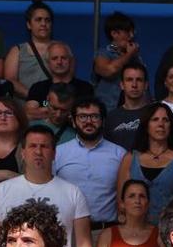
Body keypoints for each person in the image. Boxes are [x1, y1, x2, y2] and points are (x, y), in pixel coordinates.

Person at [0, 125, 93, 247]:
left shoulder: (73, 192)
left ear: (54, 153)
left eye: (44, 146)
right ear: (23, 153)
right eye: (33, 146)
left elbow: (84, 245)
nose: (38, 152)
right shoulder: (3, 190)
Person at [53, 99, 126, 235]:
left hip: (106, 232)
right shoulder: (58, 153)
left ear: (103, 121)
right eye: (82, 117)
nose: (88, 121)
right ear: (73, 122)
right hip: (67, 233)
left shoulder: (120, 154)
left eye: (94, 116)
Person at [116, 103, 173, 224]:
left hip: (169, 231)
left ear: (171, 125)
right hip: (136, 232)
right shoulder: (130, 158)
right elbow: (121, 203)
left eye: (165, 120)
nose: (160, 124)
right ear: (146, 125)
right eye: (155, 119)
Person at [25, 41, 93, 122]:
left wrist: (47, 110)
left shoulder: (85, 88)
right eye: (54, 58)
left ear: (70, 61)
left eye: (63, 58)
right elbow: (29, 113)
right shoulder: (38, 87)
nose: (59, 62)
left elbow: (87, 116)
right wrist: (68, 111)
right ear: (48, 62)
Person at [2, 0, 55, 100]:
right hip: (24, 109)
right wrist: (34, 97)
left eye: (47, 20)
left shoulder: (62, 49)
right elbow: (10, 80)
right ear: (29, 24)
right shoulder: (17, 51)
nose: (43, 23)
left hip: (54, 109)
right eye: (38, 20)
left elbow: (68, 80)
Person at [92, 11, 142, 113]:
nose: (131, 36)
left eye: (133, 32)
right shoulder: (103, 53)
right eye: (128, 32)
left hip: (132, 111)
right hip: (107, 111)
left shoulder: (136, 58)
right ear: (114, 33)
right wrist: (129, 55)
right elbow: (108, 70)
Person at [104, 60, 152, 150]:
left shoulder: (155, 113)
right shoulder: (111, 117)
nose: (134, 85)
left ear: (146, 85)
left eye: (139, 80)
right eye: (129, 80)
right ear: (122, 85)